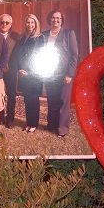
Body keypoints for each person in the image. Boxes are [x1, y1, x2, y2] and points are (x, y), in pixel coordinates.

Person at [41, 9, 79, 138]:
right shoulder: (44, 35)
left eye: (58, 18)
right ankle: (52, 124)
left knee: (63, 101)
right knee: (52, 99)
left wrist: (69, 74)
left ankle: (63, 128)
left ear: (62, 20)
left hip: (64, 74)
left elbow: (74, 55)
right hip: (49, 74)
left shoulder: (69, 34)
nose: (55, 20)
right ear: (49, 19)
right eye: (53, 17)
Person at [16, 14, 45, 133]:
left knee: (33, 100)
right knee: (27, 99)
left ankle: (34, 124)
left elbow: (39, 57)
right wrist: (19, 69)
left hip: (34, 74)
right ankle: (28, 123)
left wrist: (29, 71)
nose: (30, 25)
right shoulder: (22, 37)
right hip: (23, 73)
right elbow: (18, 55)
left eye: (32, 22)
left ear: (36, 24)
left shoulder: (40, 38)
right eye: (28, 22)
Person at [0, 13, 21, 128]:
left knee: (11, 95)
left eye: (7, 22)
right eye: (2, 22)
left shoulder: (16, 37)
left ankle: (10, 119)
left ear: (11, 24)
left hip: (11, 70)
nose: (4, 24)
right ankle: (0, 117)